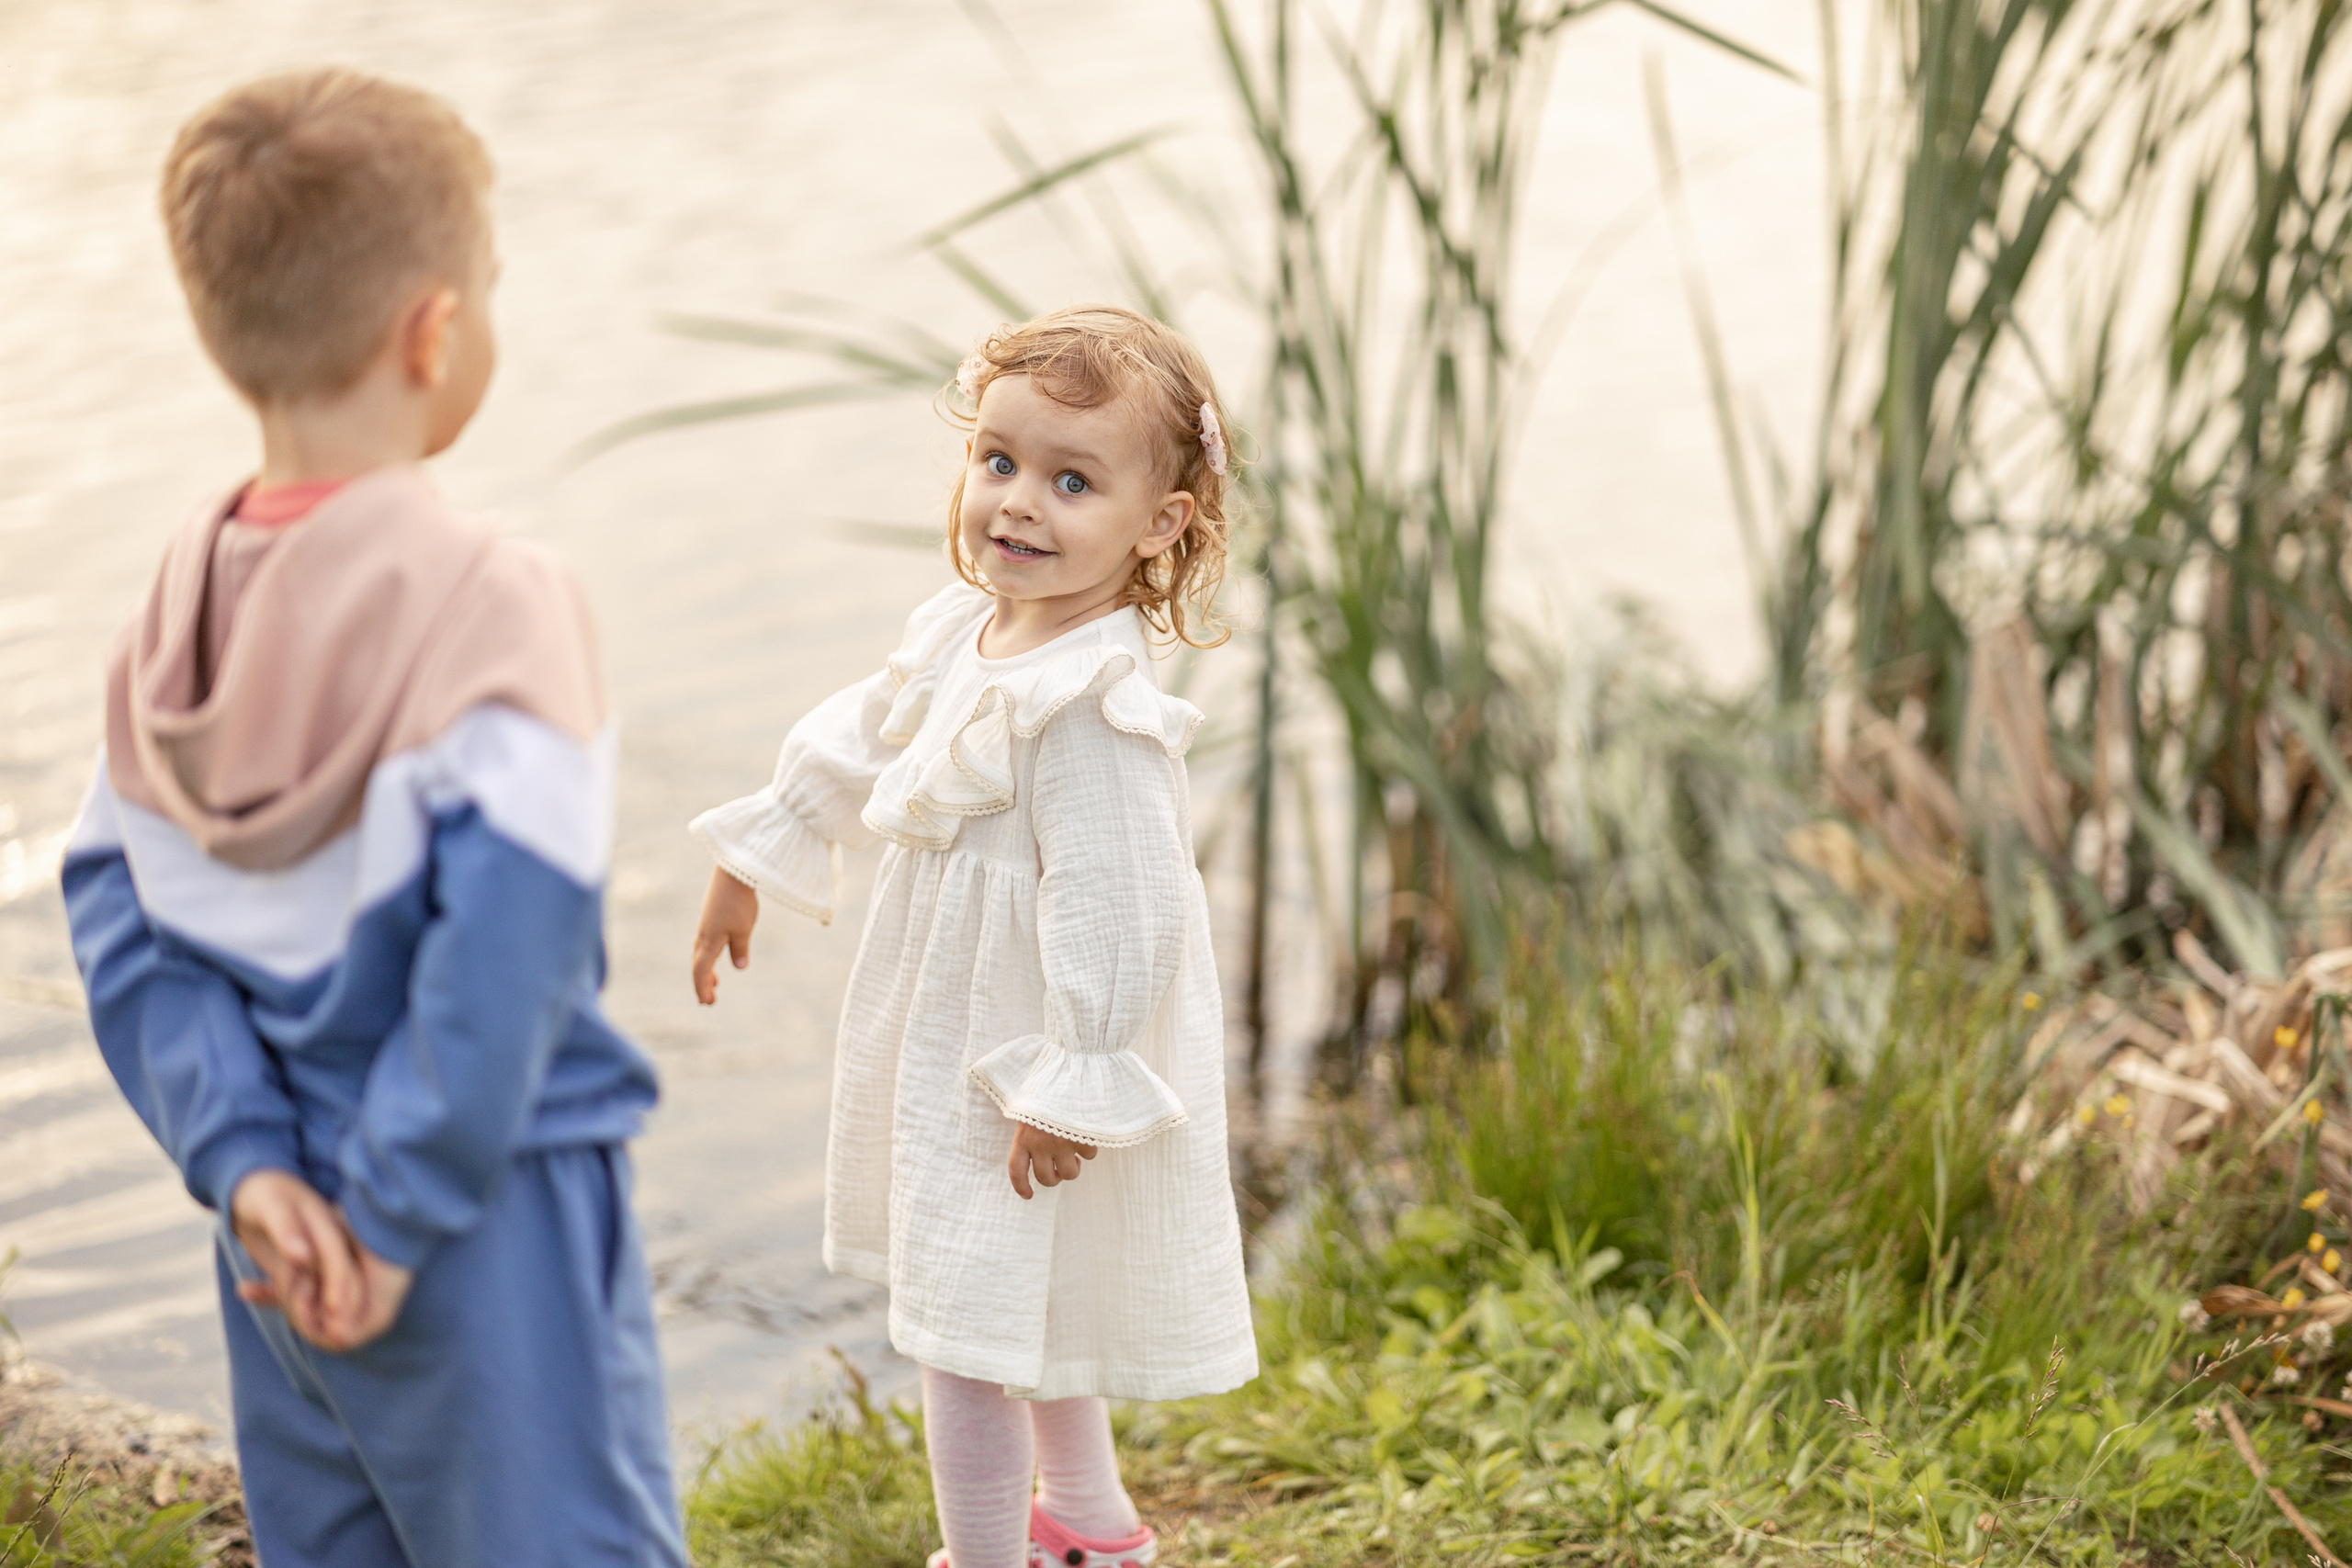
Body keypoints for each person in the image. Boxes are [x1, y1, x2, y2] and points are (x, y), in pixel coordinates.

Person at [59, 68, 686, 1568]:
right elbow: (509, 961)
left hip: (275, 1240)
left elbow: (124, 923)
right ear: (435, 332)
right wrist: (400, 1215)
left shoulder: (170, 617)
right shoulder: (496, 606)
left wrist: (251, 1164)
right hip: (485, 1209)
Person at [688, 305, 1258, 1568]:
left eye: (1072, 481)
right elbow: (868, 730)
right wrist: (764, 847)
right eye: (997, 462)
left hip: (1023, 1061)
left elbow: (1125, 909)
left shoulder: (1093, 708)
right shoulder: (968, 628)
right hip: (955, 1035)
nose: (1017, 504)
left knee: (962, 1331)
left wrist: (1078, 1074)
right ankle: (1094, 1530)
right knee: (1018, 1300)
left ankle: (989, 1557)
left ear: (1160, 524)